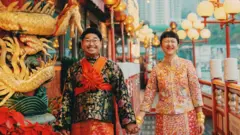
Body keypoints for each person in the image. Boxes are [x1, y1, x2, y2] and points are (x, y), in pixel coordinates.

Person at [55, 27, 139, 135]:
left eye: (95, 40)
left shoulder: (112, 67)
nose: (91, 44)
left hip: (105, 123)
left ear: (101, 43)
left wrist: (129, 122)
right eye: (87, 40)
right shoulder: (73, 69)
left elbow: (122, 95)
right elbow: (67, 97)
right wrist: (63, 124)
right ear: (82, 44)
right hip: (79, 123)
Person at [136, 31, 205, 135]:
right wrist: (139, 118)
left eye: (173, 41)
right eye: (166, 41)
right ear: (161, 45)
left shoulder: (187, 65)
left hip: (186, 114)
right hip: (164, 115)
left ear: (177, 45)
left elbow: (195, 90)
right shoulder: (157, 69)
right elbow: (149, 93)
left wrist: (200, 117)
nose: (170, 44)